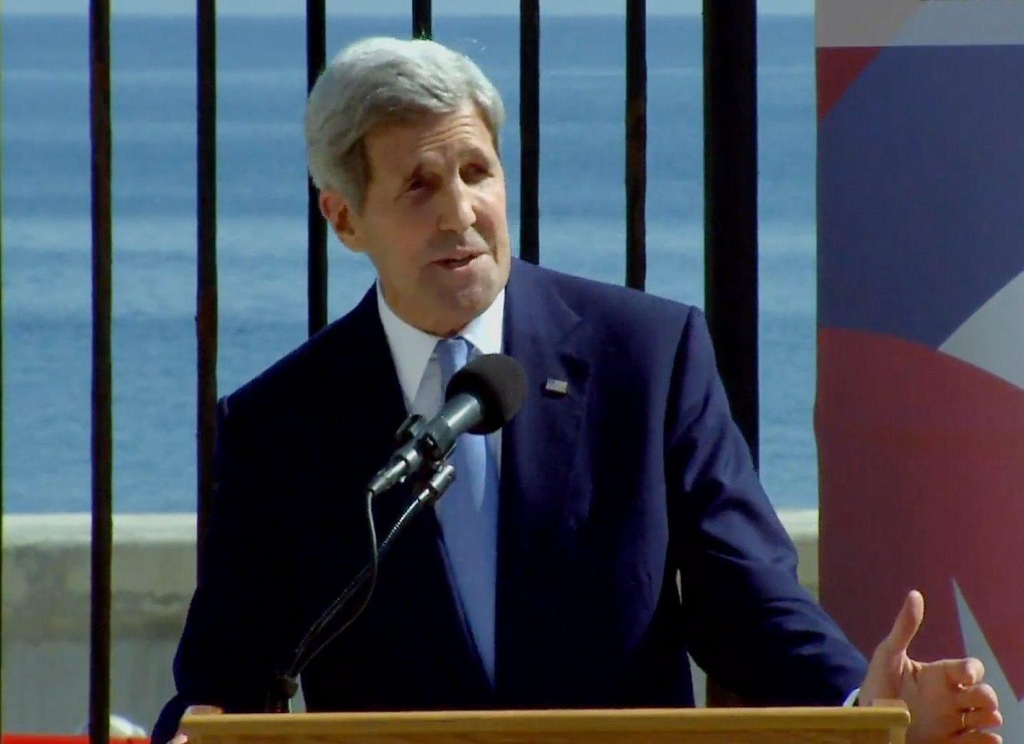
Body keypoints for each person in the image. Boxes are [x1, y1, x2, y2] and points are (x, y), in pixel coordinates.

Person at [152, 36, 1002, 744]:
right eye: (419, 184)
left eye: (477, 171)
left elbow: (746, 602)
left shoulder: (647, 357)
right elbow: (224, 681)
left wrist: (870, 707)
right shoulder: (283, 425)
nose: (461, 213)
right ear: (342, 218)